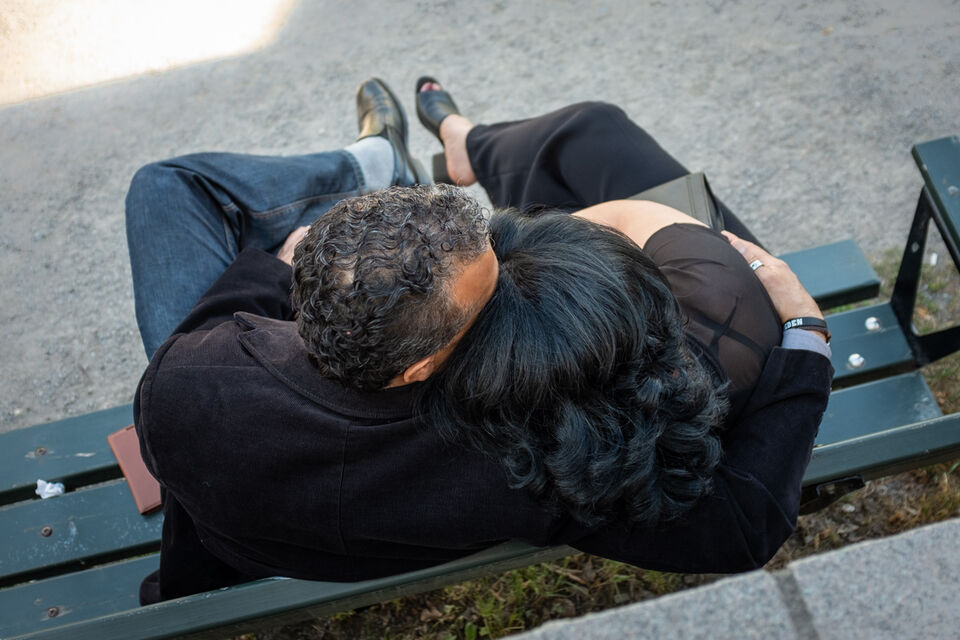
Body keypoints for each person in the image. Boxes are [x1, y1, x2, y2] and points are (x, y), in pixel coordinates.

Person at [127, 77, 832, 605]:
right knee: (591, 130)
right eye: (494, 283)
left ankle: (370, 167)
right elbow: (741, 527)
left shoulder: (184, 384)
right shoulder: (529, 447)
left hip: (251, 510)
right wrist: (805, 335)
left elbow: (223, 317)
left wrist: (281, 267)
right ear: (422, 366)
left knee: (166, 184)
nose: (506, 242)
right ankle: (409, 157)